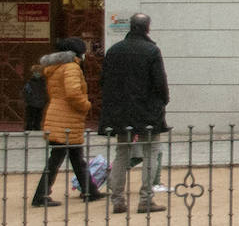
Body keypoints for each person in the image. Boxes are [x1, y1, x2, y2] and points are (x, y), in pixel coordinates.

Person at [100, 13, 171, 214]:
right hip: (147, 109)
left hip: (121, 110)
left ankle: (118, 199)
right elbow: (160, 82)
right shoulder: (151, 50)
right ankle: (146, 198)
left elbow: (104, 81)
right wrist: (163, 101)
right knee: (151, 150)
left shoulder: (114, 50)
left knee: (122, 152)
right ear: (147, 27)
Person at [31, 37, 104, 207]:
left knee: (75, 157)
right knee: (57, 158)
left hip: (59, 115)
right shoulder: (71, 67)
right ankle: (40, 196)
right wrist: (86, 105)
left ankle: (90, 191)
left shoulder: (57, 66)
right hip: (66, 118)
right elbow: (73, 93)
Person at [22, 64, 48, 132]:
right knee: (30, 120)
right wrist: (29, 100)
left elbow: (45, 93)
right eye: (35, 72)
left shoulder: (44, 83)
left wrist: (44, 100)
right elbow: (25, 92)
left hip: (39, 104)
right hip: (32, 104)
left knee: (38, 120)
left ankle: (36, 130)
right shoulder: (30, 82)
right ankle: (29, 131)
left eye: (39, 72)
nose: (37, 73)